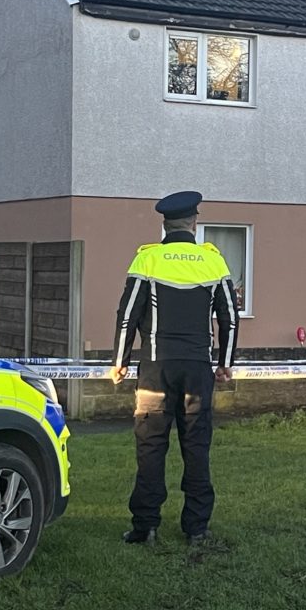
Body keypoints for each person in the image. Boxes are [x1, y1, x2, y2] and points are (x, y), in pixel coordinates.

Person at [109, 191, 239, 545]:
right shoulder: (213, 263)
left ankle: (145, 526)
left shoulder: (147, 261)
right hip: (198, 369)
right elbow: (229, 317)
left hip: (155, 370)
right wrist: (225, 364)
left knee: (151, 447)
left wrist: (120, 361)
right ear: (195, 223)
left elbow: (127, 316)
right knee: (196, 446)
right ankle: (197, 528)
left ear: (163, 224)